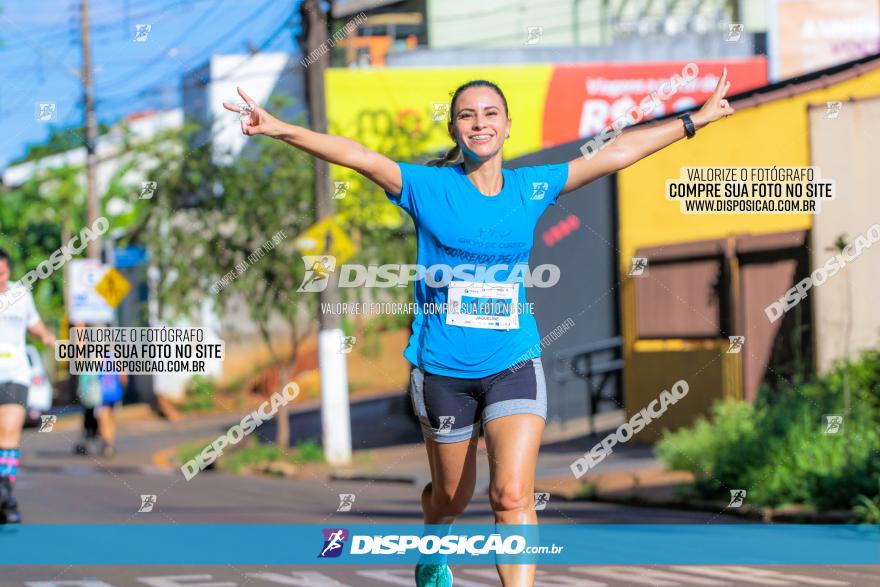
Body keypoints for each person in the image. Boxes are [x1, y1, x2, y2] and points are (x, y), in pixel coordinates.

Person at [223, 70, 734, 586]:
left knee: (511, 494)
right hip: (442, 369)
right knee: (452, 495)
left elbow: (615, 152)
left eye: (490, 113)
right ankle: (433, 543)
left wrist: (694, 120)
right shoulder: (426, 186)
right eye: (467, 115)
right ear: (453, 130)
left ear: (508, 127)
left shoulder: (531, 186)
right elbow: (356, 154)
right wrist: (277, 128)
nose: (479, 123)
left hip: (513, 360)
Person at [0, 249, 56, 524]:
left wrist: (46, 335)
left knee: (9, 435)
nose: (0, 279)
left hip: (15, 373)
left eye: (3, 273)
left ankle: (5, 495)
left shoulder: (20, 295)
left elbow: (33, 323)